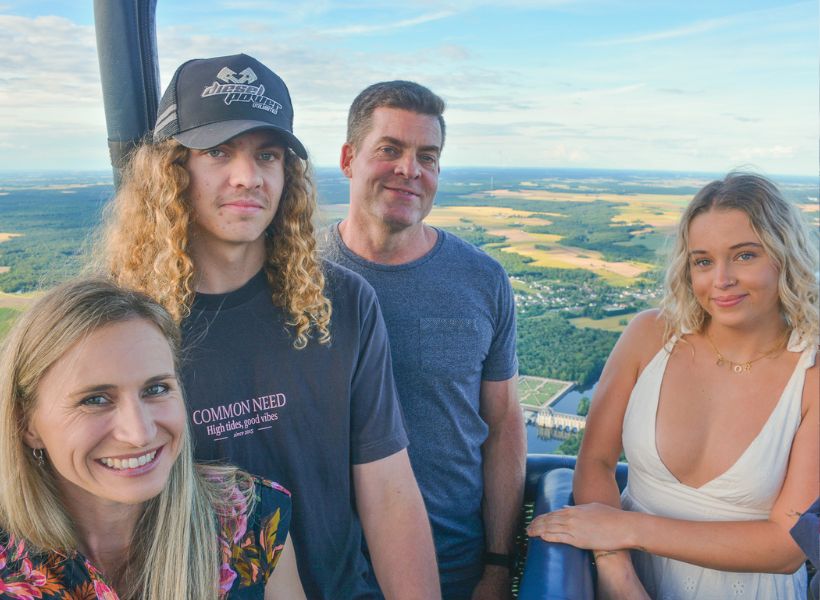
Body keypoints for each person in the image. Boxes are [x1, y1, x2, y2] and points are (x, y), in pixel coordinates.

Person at [97, 54, 438, 599]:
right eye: (217, 151)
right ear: (171, 169)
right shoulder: (121, 324)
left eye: (268, 155)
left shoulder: (342, 305)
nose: (248, 177)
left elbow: (389, 489)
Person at [527, 172, 819, 599]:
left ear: (784, 256)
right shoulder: (649, 336)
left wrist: (624, 529)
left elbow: (786, 546)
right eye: (703, 261)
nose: (721, 279)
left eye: (744, 256)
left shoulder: (811, 376)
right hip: (629, 575)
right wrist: (618, 573)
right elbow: (596, 463)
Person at [322, 80, 526, 599]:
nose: (409, 170)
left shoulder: (482, 280)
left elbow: (502, 424)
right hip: (330, 573)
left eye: (427, 157)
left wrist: (498, 566)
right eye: (390, 149)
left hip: (453, 567)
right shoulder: (297, 276)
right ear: (349, 159)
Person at [0, 278, 305, 599]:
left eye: (156, 389)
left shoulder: (251, 521)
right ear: (27, 424)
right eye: (95, 399)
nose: (139, 433)